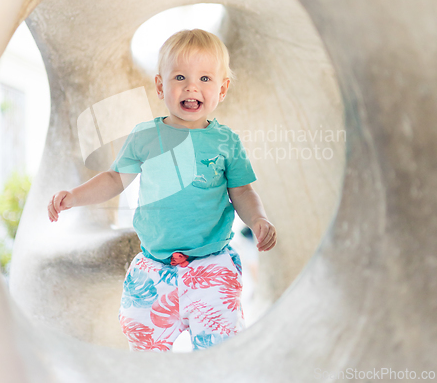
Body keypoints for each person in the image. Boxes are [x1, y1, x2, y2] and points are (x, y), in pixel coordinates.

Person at [48, 28, 277, 351]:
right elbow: (115, 178)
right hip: (154, 267)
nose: (192, 86)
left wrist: (258, 220)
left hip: (211, 265)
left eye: (205, 79)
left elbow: (242, 191)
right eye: (180, 77)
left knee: (220, 350)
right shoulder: (144, 137)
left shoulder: (226, 141)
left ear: (223, 89)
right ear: (160, 86)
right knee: (142, 346)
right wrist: (74, 196)